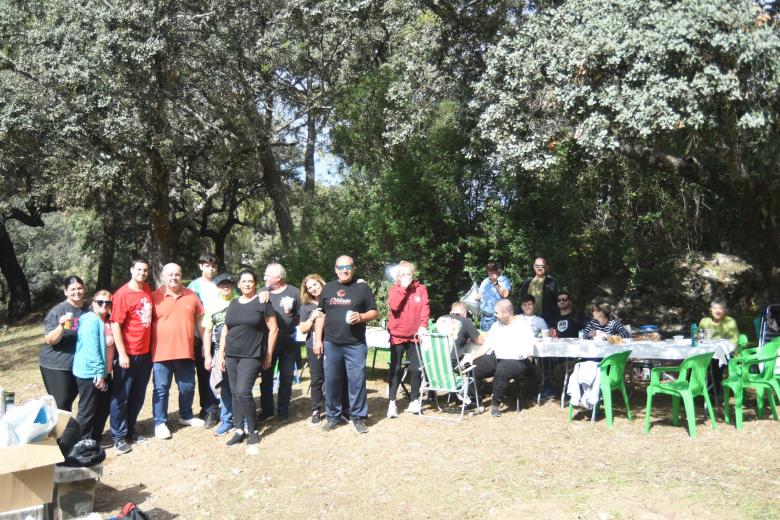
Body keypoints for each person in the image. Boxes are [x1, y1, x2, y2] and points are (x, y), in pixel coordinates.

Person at [216, 269, 278, 454]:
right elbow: (226, 329)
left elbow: (273, 329)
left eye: (251, 281)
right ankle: (238, 429)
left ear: (255, 283)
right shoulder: (234, 303)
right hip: (231, 354)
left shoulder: (262, 302)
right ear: (239, 284)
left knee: (243, 391)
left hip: (252, 355)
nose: (247, 284)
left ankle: (253, 430)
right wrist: (221, 354)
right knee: (235, 393)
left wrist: (268, 354)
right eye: (244, 281)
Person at [314, 255, 379, 433]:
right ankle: (333, 417)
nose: (345, 270)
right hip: (331, 343)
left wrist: (361, 316)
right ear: (335, 269)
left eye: (348, 266)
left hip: (355, 344)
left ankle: (357, 417)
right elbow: (321, 315)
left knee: (357, 381)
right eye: (341, 267)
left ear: (354, 268)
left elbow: (375, 312)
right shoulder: (328, 288)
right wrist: (318, 340)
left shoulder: (362, 288)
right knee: (332, 381)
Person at [151, 263, 206, 439]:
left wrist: (205, 344)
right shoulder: (154, 297)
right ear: (163, 276)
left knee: (188, 387)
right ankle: (160, 422)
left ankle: (186, 415)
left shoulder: (191, 295)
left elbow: (200, 321)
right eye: (170, 275)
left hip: (186, 351)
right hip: (161, 353)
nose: (173, 278)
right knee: (161, 389)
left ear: (181, 275)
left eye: (177, 274)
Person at [460, 299, 536, 417]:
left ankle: (495, 404)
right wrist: (472, 357)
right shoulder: (496, 326)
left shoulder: (523, 325)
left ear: (506, 313)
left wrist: (517, 355)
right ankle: (475, 402)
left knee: (503, 368)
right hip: (498, 357)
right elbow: (486, 346)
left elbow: (529, 350)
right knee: (474, 367)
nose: (494, 315)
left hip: (519, 361)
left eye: (496, 313)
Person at [109, 258, 154, 453]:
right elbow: (115, 324)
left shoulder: (147, 290)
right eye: (139, 269)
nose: (142, 273)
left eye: (145, 270)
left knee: (138, 395)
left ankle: (130, 430)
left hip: (145, 353)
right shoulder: (122, 295)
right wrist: (122, 353)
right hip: (128, 354)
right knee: (122, 396)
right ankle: (118, 436)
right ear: (131, 270)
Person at [386, 261, 430, 417]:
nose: (406, 277)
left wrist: (423, 326)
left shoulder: (421, 289)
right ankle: (392, 403)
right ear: (398, 276)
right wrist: (403, 289)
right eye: (403, 274)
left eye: (409, 274)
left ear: (413, 274)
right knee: (396, 368)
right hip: (397, 335)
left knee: (416, 368)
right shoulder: (394, 290)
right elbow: (395, 306)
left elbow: (425, 308)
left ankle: (414, 400)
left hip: (415, 336)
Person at [259, 263, 300, 421]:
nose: (265, 277)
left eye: (268, 275)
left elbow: (300, 315)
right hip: (268, 343)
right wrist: (262, 292)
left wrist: (290, 324)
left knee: (286, 378)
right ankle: (267, 410)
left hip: (288, 344)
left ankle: (283, 411)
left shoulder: (294, 292)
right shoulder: (263, 292)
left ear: (278, 277)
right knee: (266, 378)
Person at [72, 290, 114, 445]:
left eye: (108, 302)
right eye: (100, 302)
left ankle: (95, 438)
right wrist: (98, 372)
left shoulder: (107, 321)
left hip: (104, 372)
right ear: (93, 303)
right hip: (91, 374)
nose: (104, 305)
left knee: (103, 407)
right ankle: (80, 443)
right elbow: (91, 347)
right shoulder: (91, 320)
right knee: (88, 410)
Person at [41, 276, 86, 413]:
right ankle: (57, 433)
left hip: (77, 365)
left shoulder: (89, 308)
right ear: (66, 291)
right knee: (62, 404)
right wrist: (61, 326)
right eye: (72, 289)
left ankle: (65, 432)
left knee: (69, 401)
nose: (77, 292)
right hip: (56, 365)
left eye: (79, 288)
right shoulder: (58, 310)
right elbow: (49, 340)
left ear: (84, 289)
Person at [187, 254, 221, 428]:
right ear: (201, 267)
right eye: (207, 266)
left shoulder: (221, 284)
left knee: (217, 372)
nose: (211, 269)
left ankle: (215, 408)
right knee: (204, 373)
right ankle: (206, 408)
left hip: (220, 336)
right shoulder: (194, 287)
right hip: (201, 336)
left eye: (213, 266)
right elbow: (191, 312)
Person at [202, 272, 237, 435]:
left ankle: (240, 419)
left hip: (239, 351)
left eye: (228, 284)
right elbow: (207, 331)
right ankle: (226, 419)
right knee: (222, 386)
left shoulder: (239, 301)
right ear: (217, 286)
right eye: (222, 284)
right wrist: (208, 356)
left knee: (239, 387)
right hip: (219, 351)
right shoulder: (211, 305)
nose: (226, 287)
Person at [699, 298, 739, 394]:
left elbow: (734, 343)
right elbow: (698, 338)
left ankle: (713, 394)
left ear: (724, 310)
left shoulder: (730, 322)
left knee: (715, 361)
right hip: (706, 352)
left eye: (720, 308)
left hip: (728, 354)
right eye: (714, 308)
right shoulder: (705, 321)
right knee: (693, 361)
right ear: (710, 310)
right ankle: (692, 391)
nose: (717, 311)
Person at [518, 257, 560, 325]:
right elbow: (522, 300)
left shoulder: (551, 282)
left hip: (547, 318)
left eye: (542, 266)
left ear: (546, 267)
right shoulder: (527, 282)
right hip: (529, 319)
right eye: (537, 266)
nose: (539, 268)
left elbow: (556, 300)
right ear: (534, 267)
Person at [475, 261, 511, 331]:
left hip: (497, 317)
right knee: (485, 340)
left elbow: (505, 294)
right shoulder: (485, 281)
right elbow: (481, 295)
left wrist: (495, 282)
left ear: (498, 270)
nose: (491, 272)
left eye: (494, 269)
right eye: (489, 270)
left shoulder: (504, 280)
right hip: (484, 317)